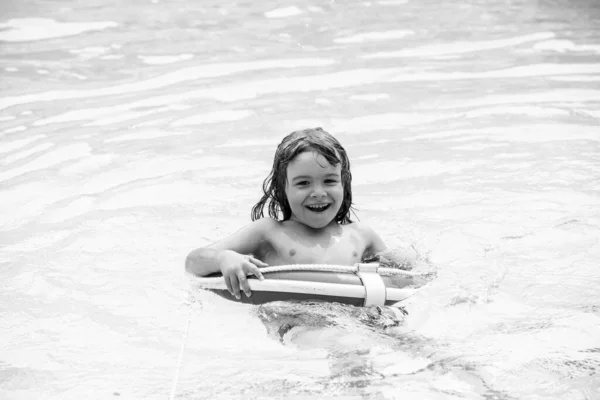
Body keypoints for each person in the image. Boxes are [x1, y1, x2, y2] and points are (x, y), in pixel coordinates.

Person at [185, 127, 415, 300]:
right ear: (281, 189)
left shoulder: (361, 235)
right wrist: (224, 257)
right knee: (347, 347)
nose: (318, 192)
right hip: (297, 319)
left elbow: (404, 276)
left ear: (344, 184)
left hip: (361, 313)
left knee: (422, 347)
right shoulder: (269, 232)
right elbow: (193, 262)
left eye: (329, 181)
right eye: (303, 183)